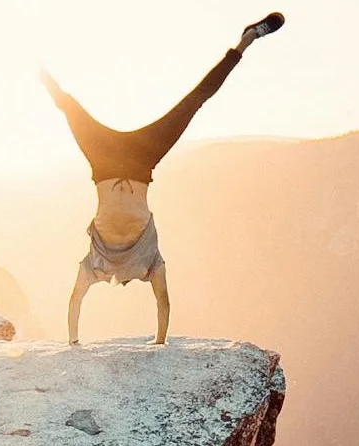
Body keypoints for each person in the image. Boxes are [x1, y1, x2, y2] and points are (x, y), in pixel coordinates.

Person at [46, 13, 285, 345]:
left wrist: (73, 343)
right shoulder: (150, 263)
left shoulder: (94, 265)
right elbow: (163, 302)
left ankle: (29, 61)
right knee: (193, 101)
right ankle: (245, 42)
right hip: (141, 159)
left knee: (66, 104)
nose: (125, 280)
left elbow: (75, 303)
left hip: (105, 161)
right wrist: (159, 342)